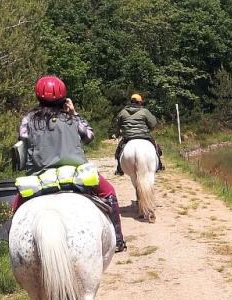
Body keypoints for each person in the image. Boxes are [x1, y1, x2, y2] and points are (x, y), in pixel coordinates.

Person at [13, 75, 128, 253]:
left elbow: (23, 138)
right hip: (76, 173)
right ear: (64, 99)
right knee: (109, 191)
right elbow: (89, 136)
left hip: (39, 176)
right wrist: (74, 113)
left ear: (38, 97)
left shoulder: (28, 120)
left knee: (17, 205)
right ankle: (118, 239)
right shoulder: (72, 120)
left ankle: (11, 243)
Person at [114, 93, 165, 175]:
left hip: (128, 137)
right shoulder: (145, 111)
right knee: (155, 146)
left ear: (131, 102)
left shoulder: (123, 112)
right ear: (139, 102)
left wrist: (117, 133)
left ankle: (119, 168)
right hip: (143, 135)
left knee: (119, 150)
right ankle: (159, 164)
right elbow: (153, 123)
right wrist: (150, 128)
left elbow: (118, 124)